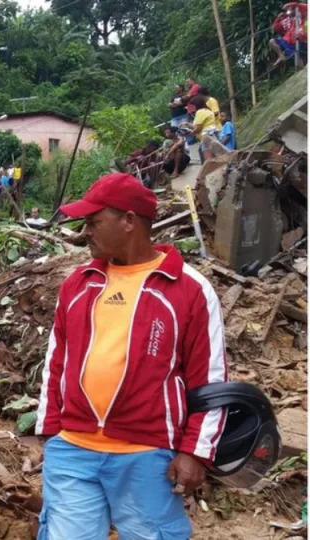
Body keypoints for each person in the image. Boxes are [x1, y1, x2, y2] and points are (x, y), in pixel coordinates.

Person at [35, 172, 227, 539]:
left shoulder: (188, 289)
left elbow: (210, 380)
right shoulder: (77, 284)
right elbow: (56, 361)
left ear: (128, 221)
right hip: (73, 449)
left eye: (93, 222)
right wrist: (48, 430)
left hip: (146, 453)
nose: (85, 232)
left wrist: (196, 452)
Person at [271, 3, 308, 68]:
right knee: (272, 41)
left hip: (301, 39)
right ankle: (281, 57)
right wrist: (278, 18)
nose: (289, 10)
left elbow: (305, 7)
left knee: (297, 58)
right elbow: (275, 28)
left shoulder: (301, 13)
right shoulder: (286, 19)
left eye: (290, 9)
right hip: (288, 41)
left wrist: (290, 5)